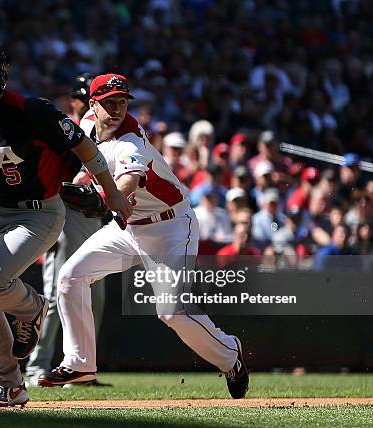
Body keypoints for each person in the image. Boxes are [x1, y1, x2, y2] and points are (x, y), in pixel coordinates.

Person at [0, 43, 131, 408]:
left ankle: (32, 308)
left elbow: (84, 146)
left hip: (39, 212)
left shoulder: (31, 111)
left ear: (0, 80)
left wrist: (112, 194)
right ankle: (9, 386)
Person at [37, 73, 249, 400]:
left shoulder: (130, 141)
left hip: (170, 227)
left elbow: (127, 183)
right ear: (93, 104)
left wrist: (103, 199)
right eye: (110, 101)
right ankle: (79, 362)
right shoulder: (89, 123)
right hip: (131, 227)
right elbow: (91, 165)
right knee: (70, 276)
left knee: (172, 312)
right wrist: (80, 182)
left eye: (122, 101)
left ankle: (230, 355)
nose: (117, 108)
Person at [25, 73, 107, 387]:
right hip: (65, 213)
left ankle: (82, 368)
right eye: (86, 98)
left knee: (94, 295)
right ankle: (37, 365)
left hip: (93, 216)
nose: (90, 104)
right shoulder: (67, 129)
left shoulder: (101, 129)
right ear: (74, 101)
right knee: (57, 291)